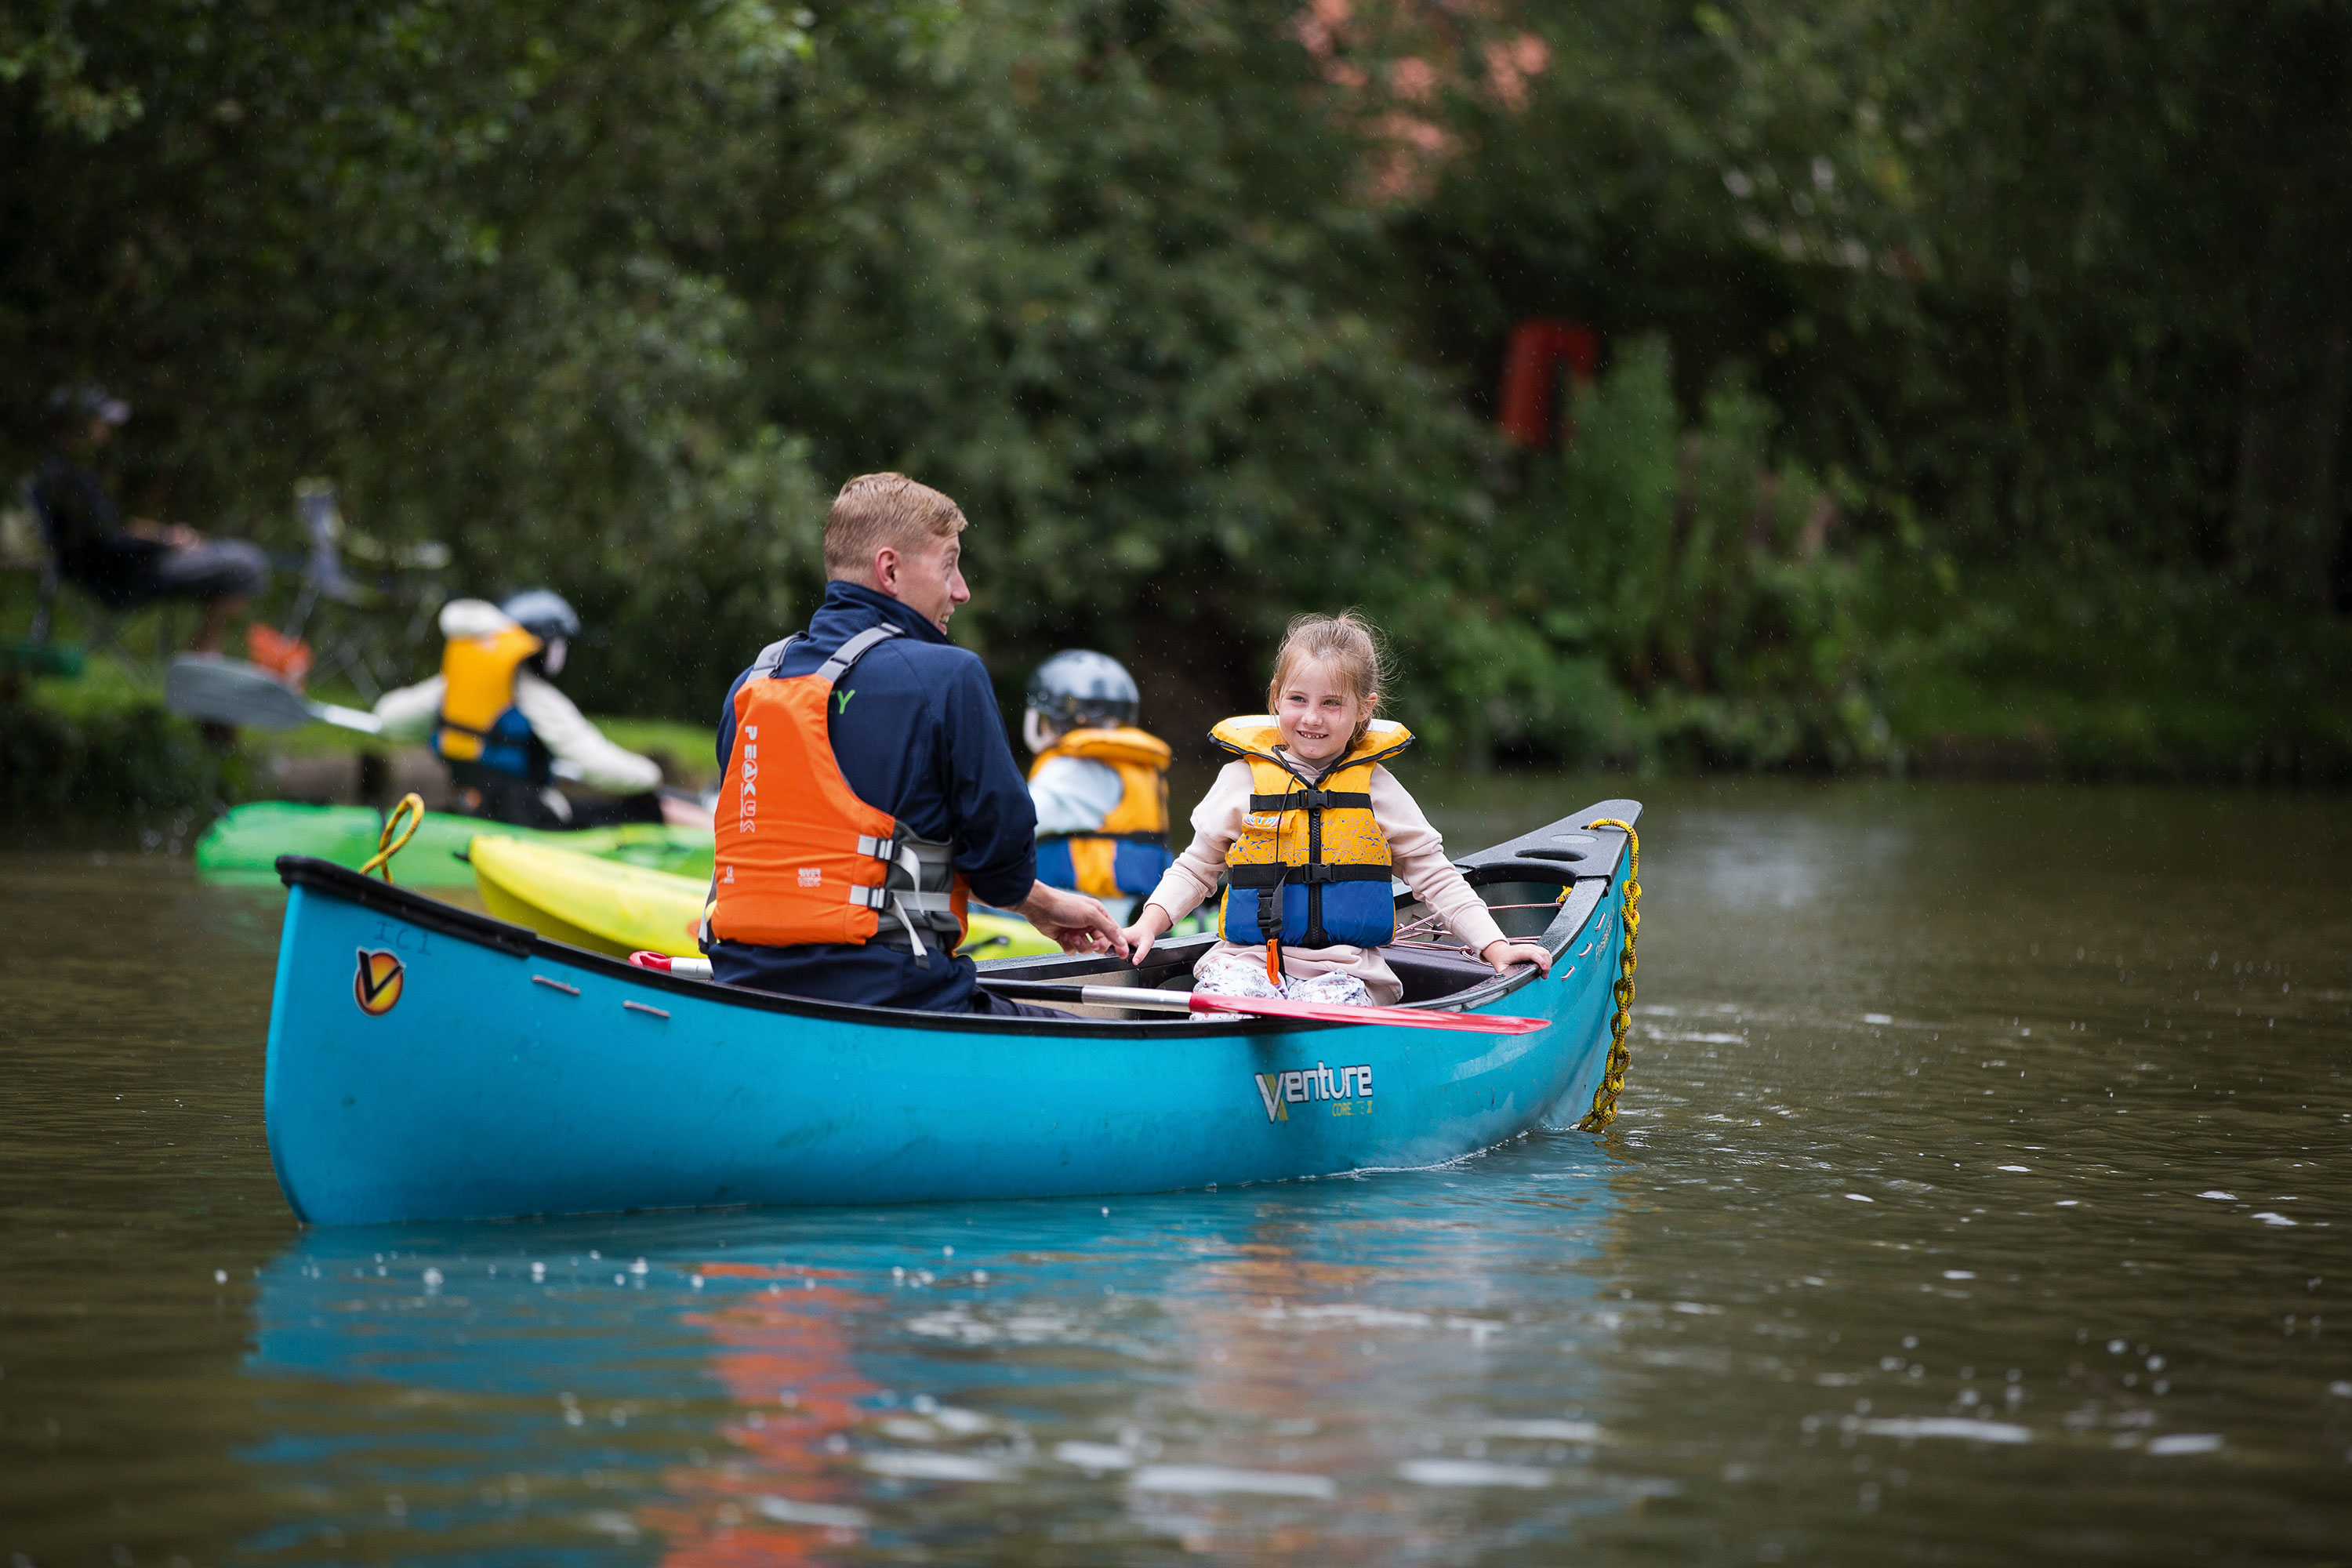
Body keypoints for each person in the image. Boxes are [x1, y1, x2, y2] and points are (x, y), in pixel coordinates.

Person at [702, 472, 1127, 1013]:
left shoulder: (753, 685)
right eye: (949, 563)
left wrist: (1039, 906)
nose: (961, 590)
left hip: (744, 989)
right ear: (890, 569)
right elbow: (1001, 866)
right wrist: (1023, 891)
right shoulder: (948, 676)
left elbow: (841, 851)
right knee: (1081, 1043)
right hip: (898, 998)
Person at [1119, 611, 1552, 1006]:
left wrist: (1496, 947)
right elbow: (1196, 869)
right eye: (1298, 700)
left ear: (1364, 709)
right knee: (1225, 1005)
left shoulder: (1378, 789)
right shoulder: (1241, 779)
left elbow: (1436, 878)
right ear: (1275, 697)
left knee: (1329, 1009)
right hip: (1245, 963)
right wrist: (1148, 925)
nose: (1312, 719)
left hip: (1344, 971)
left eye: (1331, 703)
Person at [372, 590, 667, 828]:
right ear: (543, 646)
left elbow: (388, 718)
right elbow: (597, 765)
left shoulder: (454, 684)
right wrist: (651, 776)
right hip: (519, 817)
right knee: (642, 809)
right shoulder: (536, 697)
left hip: (465, 804)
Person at [30, 383, 270, 653]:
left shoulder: (58, 472)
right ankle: (199, 667)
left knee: (235, 561)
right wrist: (166, 542)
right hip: (124, 576)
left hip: (113, 570)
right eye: (99, 422)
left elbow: (108, 531)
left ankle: (198, 666)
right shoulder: (65, 478)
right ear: (78, 425)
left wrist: (166, 535)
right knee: (246, 565)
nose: (104, 431)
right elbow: (107, 542)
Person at [1022, 649, 1175, 924]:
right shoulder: (1142, 767)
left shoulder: (1066, 770)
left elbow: (1004, 829)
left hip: (1079, 916)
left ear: (1051, 718)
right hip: (1139, 911)